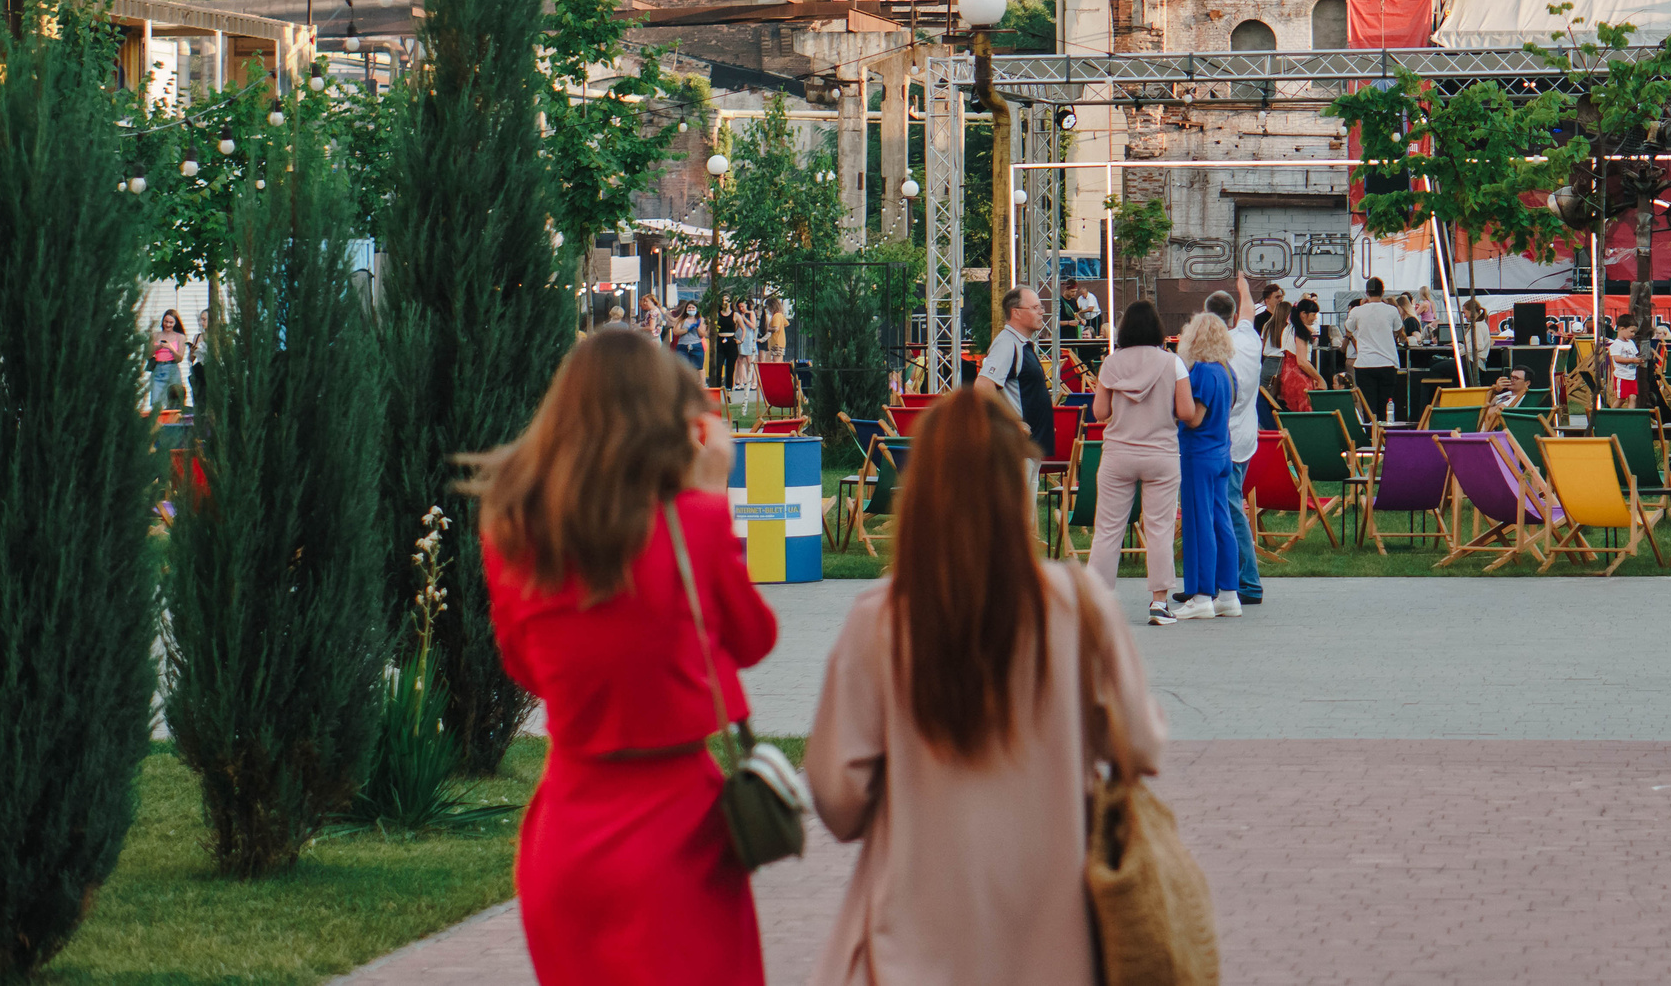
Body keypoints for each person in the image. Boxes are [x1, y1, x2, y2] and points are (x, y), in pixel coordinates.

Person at [802, 384, 1166, 986]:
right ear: (1013, 488)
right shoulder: (1079, 606)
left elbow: (837, 799)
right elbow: (1143, 747)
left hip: (911, 944)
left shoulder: (881, 621)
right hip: (1055, 943)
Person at [473, 327, 776, 986]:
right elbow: (755, 638)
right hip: (680, 833)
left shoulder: (512, 530)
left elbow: (526, 666)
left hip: (568, 832)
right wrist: (712, 493)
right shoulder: (692, 520)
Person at [1089, 301, 1192, 627]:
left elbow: (1100, 413)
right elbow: (1187, 412)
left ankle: (1097, 603)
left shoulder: (1111, 364)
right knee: (1159, 530)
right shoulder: (1172, 363)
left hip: (1118, 454)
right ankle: (1159, 603)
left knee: (1107, 531)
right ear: (1157, 330)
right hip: (1161, 455)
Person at [1170, 311, 1244, 619]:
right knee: (1221, 522)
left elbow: (1194, 417)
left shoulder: (1200, 371)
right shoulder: (1228, 371)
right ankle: (1229, 594)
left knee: (1198, 525)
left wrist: (1171, 411)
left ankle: (1201, 595)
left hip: (1198, 454)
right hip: (1222, 451)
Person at [1210, 278, 1265, 607]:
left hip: (1220, 441)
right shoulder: (1249, 339)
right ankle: (1227, 579)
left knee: (1229, 511)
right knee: (1228, 509)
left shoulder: (1211, 352)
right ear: (1231, 318)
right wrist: (1244, 287)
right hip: (1245, 438)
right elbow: (1247, 313)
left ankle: (1247, 581)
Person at [979, 286, 1056, 455]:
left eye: (1041, 307)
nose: (1041, 312)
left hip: (1029, 446)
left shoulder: (1019, 343)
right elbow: (983, 386)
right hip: (1017, 448)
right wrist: (1012, 423)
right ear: (1016, 313)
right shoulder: (1007, 344)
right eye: (1035, 308)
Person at [1345, 276, 1403, 423]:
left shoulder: (1357, 311)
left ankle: (1373, 439)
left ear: (1367, 293)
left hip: (1365, 363)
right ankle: (1385, 439)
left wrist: (1361, 306)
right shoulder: (1392, 310)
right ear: (1382, 292)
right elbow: (1398, 329)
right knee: (1386, 406)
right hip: (1387, 362)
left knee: (1369, 407)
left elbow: (1349, 328)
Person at [146, 309, 191, 413]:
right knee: (156, 401)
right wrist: (158, 347)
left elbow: (179, 358)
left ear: (175, 323)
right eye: (166, 321)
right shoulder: (155, 335)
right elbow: (148, 355)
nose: (168, 325)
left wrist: (171, 348)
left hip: (172, 368)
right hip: (158, 368)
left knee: (174, 401)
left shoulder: (180, 337)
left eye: (171, 322)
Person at [672, 302, 706, 374]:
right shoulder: (681, 320)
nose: (691, 309)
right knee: (682, 367)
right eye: (689, 308)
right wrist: (687, 330)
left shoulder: (700, 319)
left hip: (696, 345)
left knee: (697, 367)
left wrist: (697, 327)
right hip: (682, 345)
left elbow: (702, 334)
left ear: (696, 309)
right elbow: (676, 331)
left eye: (693, 308)